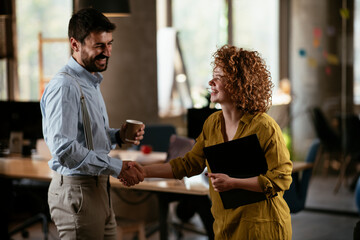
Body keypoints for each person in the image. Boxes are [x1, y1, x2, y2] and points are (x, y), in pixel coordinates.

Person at [127, 45, 293, 239]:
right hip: (225, 225)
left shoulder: (264, 126)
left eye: (219, 78)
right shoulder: (212, 124)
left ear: (239, 83)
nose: (211, 82)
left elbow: (281, 178)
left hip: (262, 227)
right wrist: (143, 171)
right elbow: (188, 165)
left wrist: (233, 183)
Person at [40, 8, 145, 239]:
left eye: (109, 44)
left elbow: (85, 138)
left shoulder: (90, 81)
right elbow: (64, 149)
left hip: (99, 190)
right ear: (75, 44)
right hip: (78, 191)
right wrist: (117, 168)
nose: (107, 52)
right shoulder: (65, 86)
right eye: (99, 45)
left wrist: (117, 136)